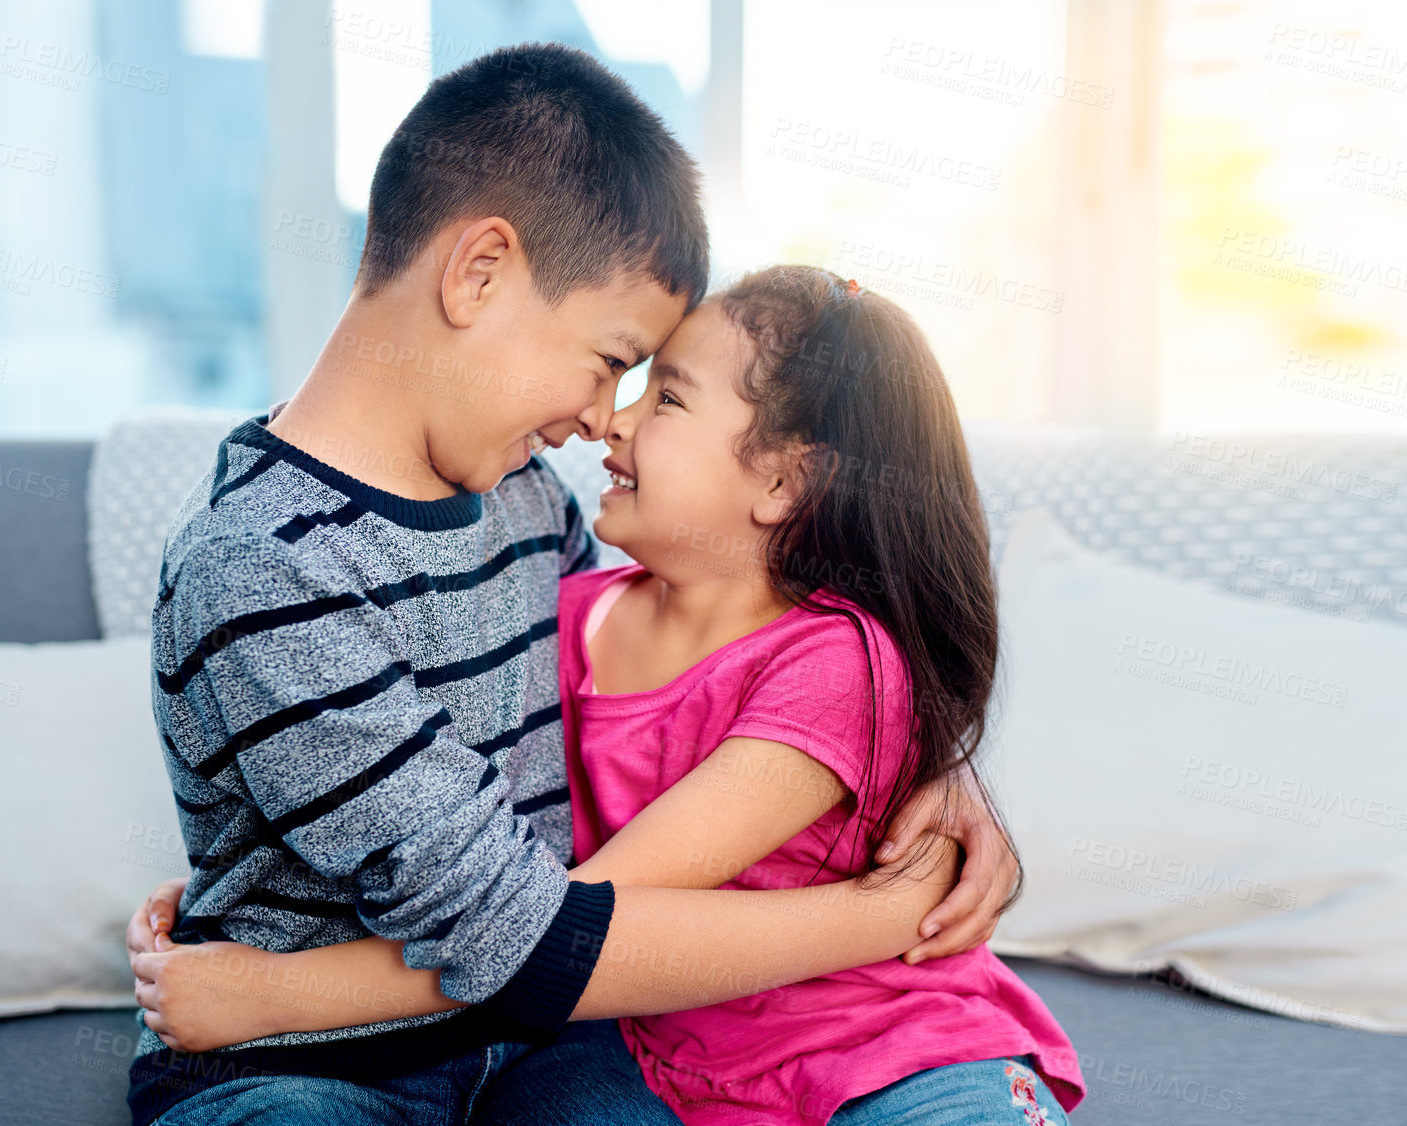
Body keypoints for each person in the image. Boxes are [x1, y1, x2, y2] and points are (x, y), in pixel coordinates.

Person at [126, 41, 1017, 1126]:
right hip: (309, 1066)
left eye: (644, 384)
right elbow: (518, 933)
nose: (605, 418)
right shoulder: (263, 567)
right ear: (479, 273)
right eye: (607, 360)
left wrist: (916, 764)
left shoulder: (522, 499)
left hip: (540, 1050)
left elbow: (686, 685)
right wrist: (888, 907)